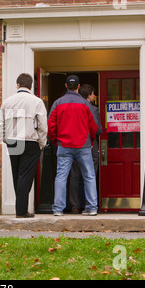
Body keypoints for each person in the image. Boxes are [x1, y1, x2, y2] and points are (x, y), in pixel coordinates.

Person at [0, 73, 48, 218]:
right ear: (31, 86)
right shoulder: (36, 101)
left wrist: (6, 139)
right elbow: (43, 125)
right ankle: (21, 210)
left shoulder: (7, 101)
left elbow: (0, 124)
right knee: (26, 176)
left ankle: (20, 208)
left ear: (17, 85)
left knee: (16, 175)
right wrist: (42, 142)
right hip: (30, 141)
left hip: (13, 141)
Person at [48, 75, 99, 216]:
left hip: (64, 145)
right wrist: (91, 141)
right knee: (89, 176)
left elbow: (51, 125)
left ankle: (58, 209)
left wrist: (55, 140)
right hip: (83, 145)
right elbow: (93, 127)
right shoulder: (85, 104)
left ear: (66, 86)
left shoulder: (58, 103)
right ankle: (92, 207)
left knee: (61, 176)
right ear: (78, 86)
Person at [68, 84, 102, 213]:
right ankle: (90, 205)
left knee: (75, 176)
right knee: (90, 175)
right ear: (89, 95)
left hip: (74, 144)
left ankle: (74, 205)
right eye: (93, 94)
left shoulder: (73, 108)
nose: (94, 96)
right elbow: (98, 130)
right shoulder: (93, 109)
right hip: (90, 145)